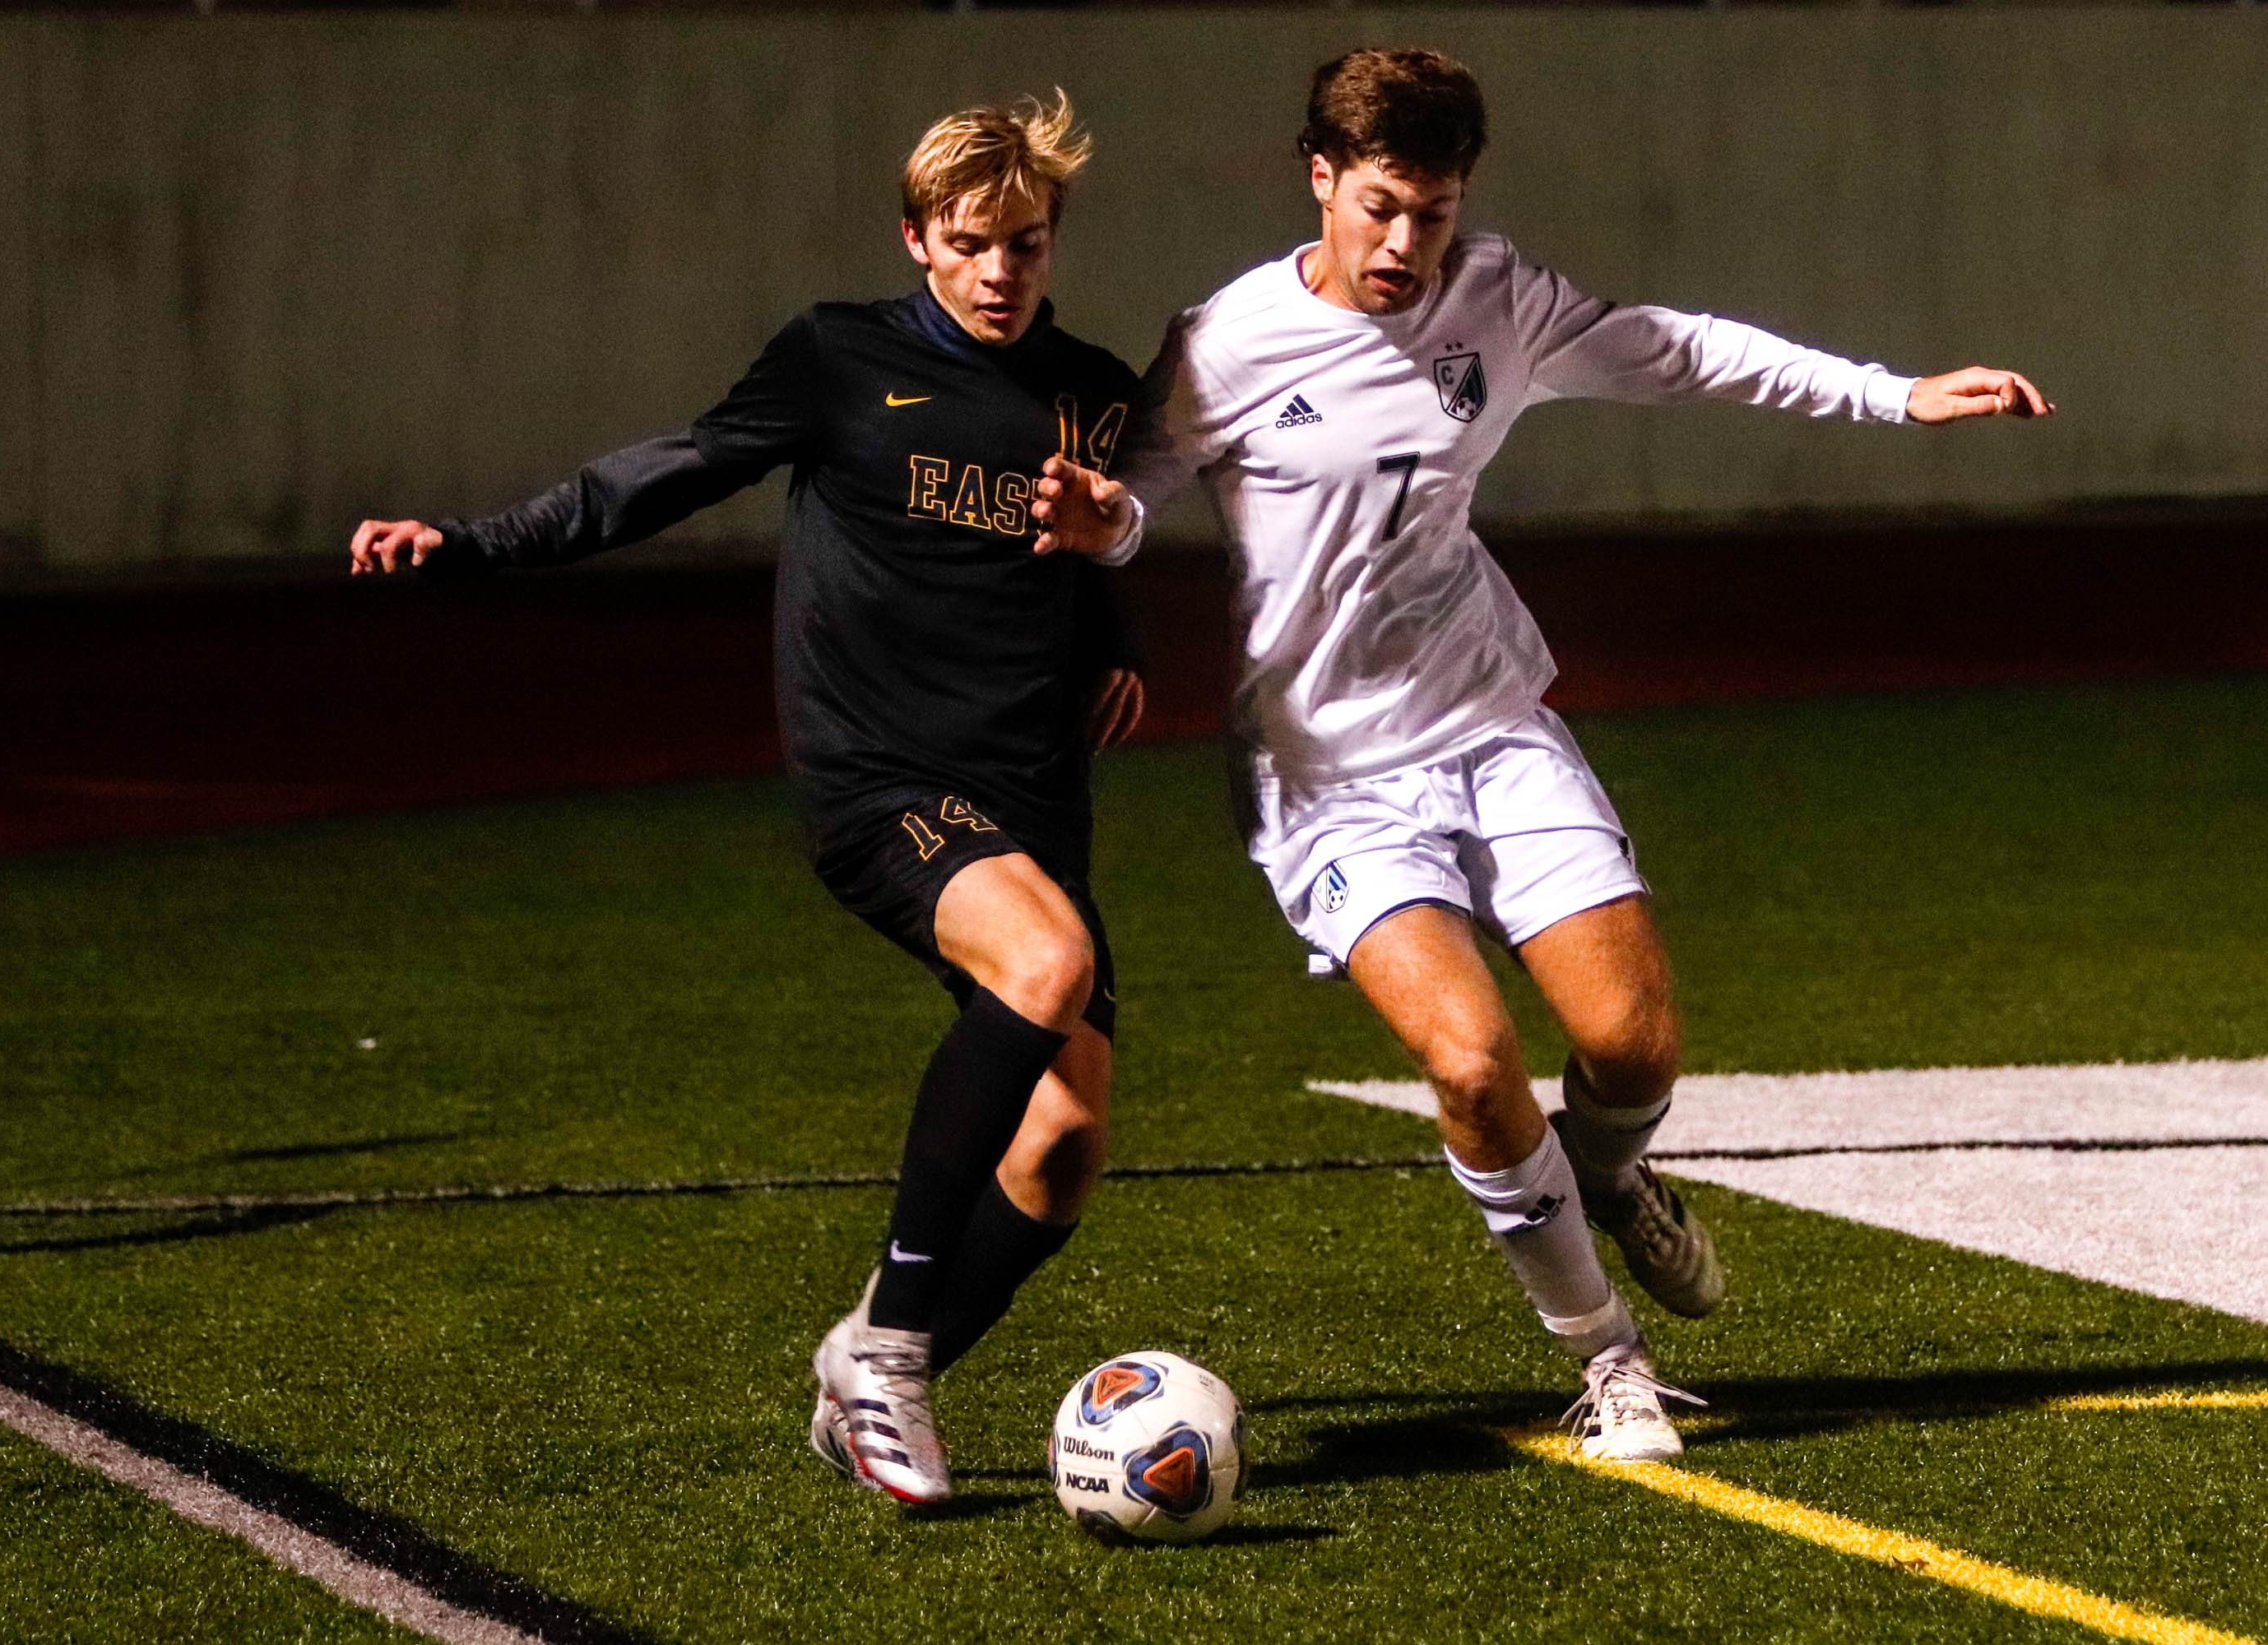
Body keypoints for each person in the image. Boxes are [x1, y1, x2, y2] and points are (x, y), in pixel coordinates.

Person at [1112, 48, 2052, 1459]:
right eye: (1378, 206)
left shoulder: (1498, 300)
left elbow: (1682, 349)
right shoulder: (1223, 341)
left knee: (1630, 1042)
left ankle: (1611, 1175)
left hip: (1493, 724)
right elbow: (1130, 500)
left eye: (1432, 213)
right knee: (1478, 1063)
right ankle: (1607, 1354)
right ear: (1320, 177)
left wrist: (1892, 394)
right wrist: (1095, 531)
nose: (1403, 244)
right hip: (1327, 775)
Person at [348, 92, 1148, 1505]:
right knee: (1047, 960)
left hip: (1032, 789)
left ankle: (864, 1373)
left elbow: (1073, 554)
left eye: (1024, 245)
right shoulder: (839, 357)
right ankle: (896, 1355)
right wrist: (472, 544)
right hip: (882, 774)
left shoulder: (1090, 386)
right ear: (916, 238)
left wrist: (1116, 633)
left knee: (1070, 1140)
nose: (998, 273)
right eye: (969, 244)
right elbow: (663, 475)